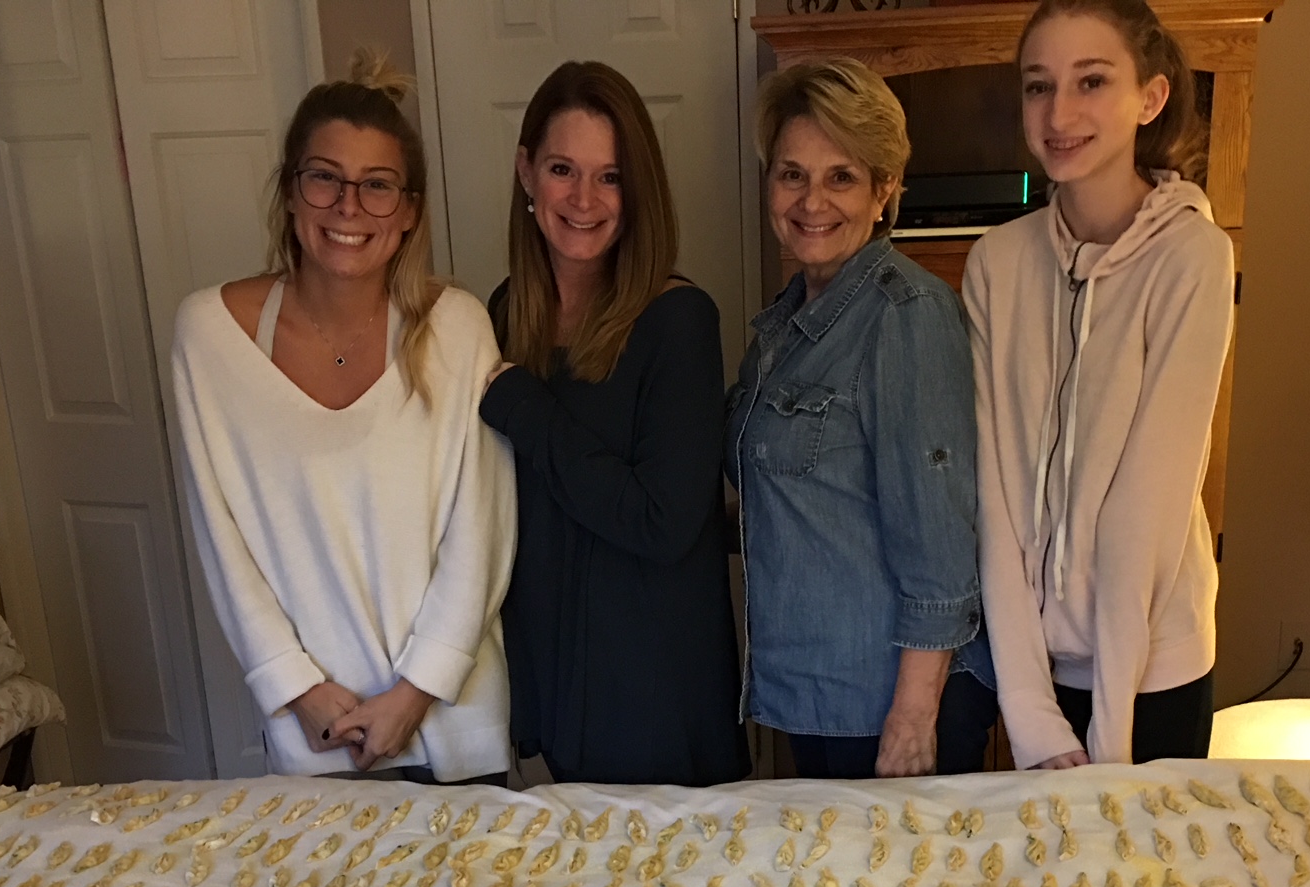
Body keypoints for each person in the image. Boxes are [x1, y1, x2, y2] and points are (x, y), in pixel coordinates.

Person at [170, 50, 514, 783]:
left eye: (377, 185)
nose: (348, 207)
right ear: (291, 191)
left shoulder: (458, 327)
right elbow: (221, 539)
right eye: (325, 177)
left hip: (453, 722)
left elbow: (481, 531)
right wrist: (297, 688)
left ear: (410, 210)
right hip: (314, 733)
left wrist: (414, 694)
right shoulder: (208, 334)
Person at [969, 0, 1231, 768]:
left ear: (1149, 97)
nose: (1059, 114)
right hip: (1037, 671)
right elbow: (995, 499)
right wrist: (1030, 716)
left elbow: (1145, 509)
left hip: (1155, 673)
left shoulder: (1194, 258)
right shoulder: (996, 263)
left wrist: (1109, 742)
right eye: (1038, 86)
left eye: (1091, 81)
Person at [727, 59, 996, 781]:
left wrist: (912, 717)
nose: (812, 200)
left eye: (841, 177)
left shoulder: (906, 315)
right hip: (818, 695)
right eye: (792, 174)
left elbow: (939, 539)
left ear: (885, 191)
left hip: (888, 708)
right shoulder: (785, 325)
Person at [481, 61, 748, 787]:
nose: (584, 199)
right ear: (526, 172)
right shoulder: (506, 312)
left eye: (610, 177)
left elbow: (664, 522)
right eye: (562, 169)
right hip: (556, 679)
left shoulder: (678, 321)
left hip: (657, 693)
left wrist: (525, 408)